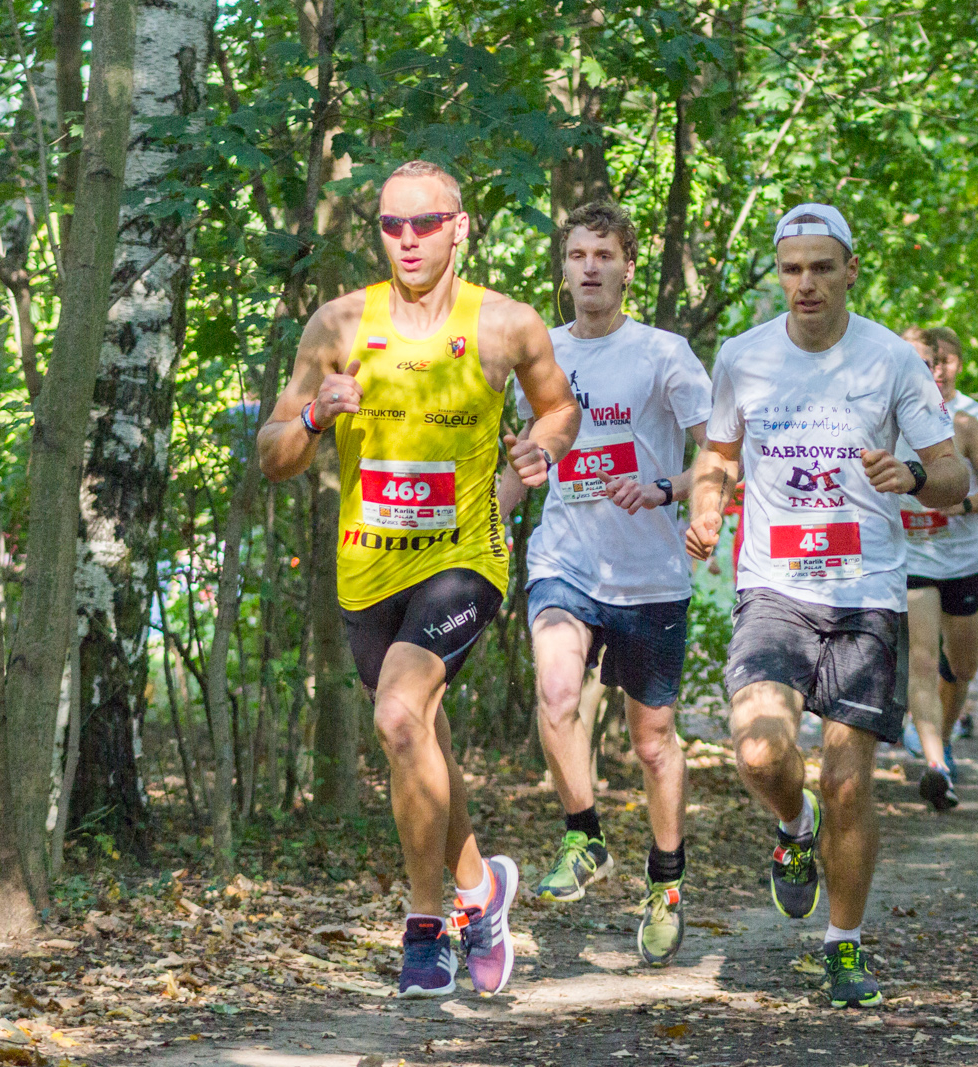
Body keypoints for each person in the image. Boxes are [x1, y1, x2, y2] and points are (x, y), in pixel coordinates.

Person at [257, 160, 580, 997]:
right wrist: (316, 414)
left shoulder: (507, 325)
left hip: (465, 557)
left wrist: (540, 448)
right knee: (418, 736)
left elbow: (559, 406)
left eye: (424, 224)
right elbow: (274, 456)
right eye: (392, 226)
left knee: (400, 711)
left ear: (459, 226)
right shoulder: (338, 323)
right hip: (368, 570)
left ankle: (427, 925)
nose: (407, 240)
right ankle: (482, 888)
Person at [684, 203, 966, 1008]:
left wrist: (910, 476)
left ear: (849, 270)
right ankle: (793, 827)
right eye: (792, 268)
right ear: (780, 273)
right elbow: (718, 452)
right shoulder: (743, 356)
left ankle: (843, 944)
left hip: (866, 592)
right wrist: (707, 508)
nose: (804, 283)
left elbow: (954, 479)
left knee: (848, 779)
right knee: (760, 756)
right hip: (774, 586)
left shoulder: (891, 362)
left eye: (820, 267)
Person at [499, 200, 711, 967]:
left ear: (628, 266)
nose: (589, 267)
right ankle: (584, 836)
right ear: (563, 268)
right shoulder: (541, 357)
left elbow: (719, 453)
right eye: (577, 254)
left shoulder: (662, 353)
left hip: (651, 573)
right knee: (556, 695)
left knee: (653, 744)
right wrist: (479, 534)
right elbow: (524, 467)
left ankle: (666, 878)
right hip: (567, 560)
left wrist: (671, 488)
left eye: (604, 255)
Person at [897, 331, 978, 810]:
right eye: (918, 363)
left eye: (935, 363)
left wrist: (960, 504)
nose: (929, 372)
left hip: (965, 562)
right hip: (913, 561)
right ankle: (936, 763)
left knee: (960, 667)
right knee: (923, 659)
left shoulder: (966, 423)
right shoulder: (882, 419)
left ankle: (939, 738)